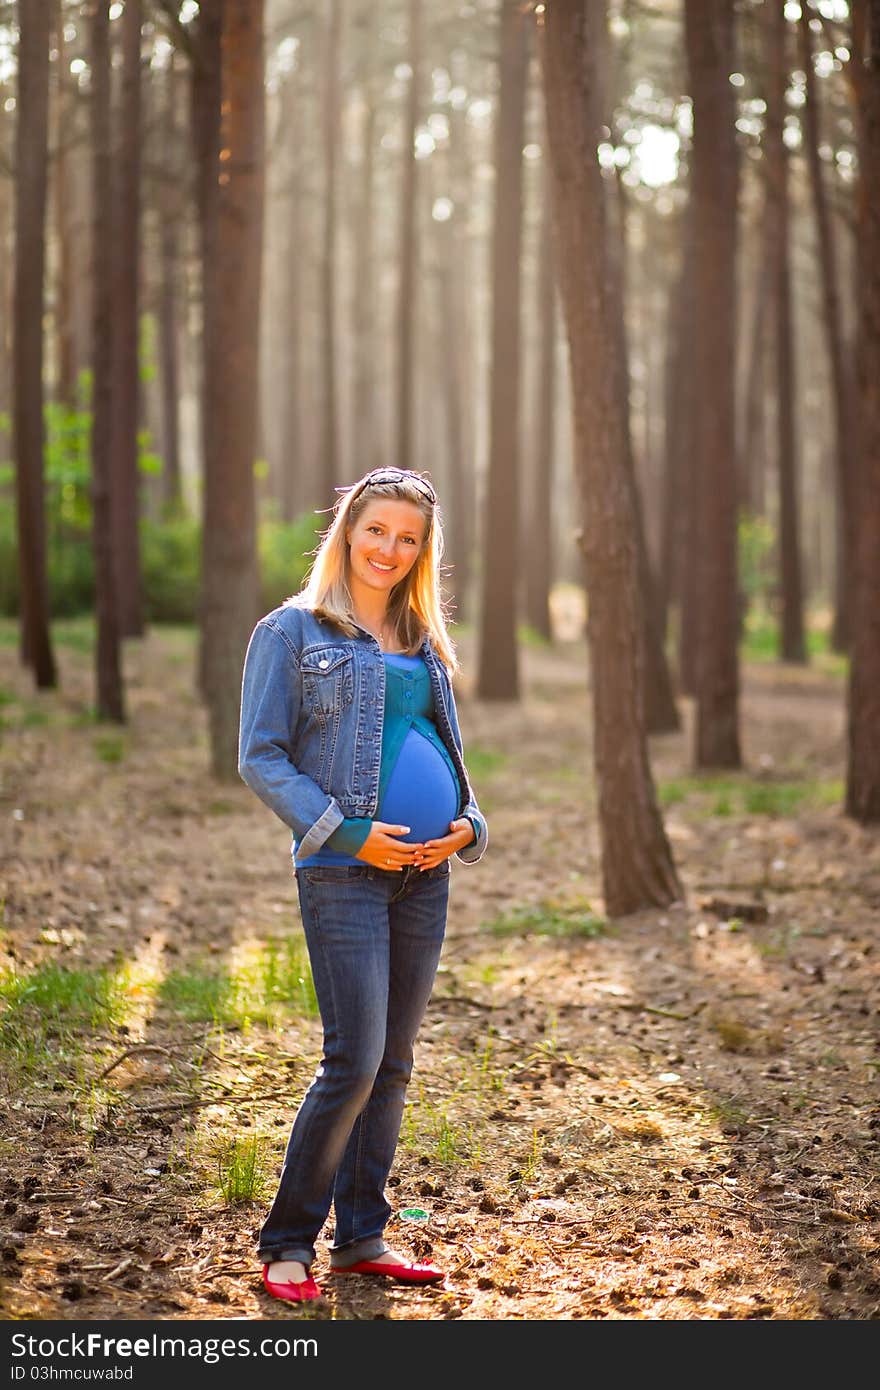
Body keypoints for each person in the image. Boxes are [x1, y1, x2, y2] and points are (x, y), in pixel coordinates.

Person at [238, 466, 488, 1305]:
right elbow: (260, 755)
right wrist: (347, 832)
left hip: (427, 876)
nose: (391, 549)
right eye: (377, 530)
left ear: (424, 551)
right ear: (348, 529)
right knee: (353, 1061)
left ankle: (362, 1237)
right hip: (343, 871)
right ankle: (286, 1243)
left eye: (409, 538)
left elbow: (440, 745)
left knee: (395, 1064)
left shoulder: (422, 636)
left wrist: (469, 823)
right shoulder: (291, 632)